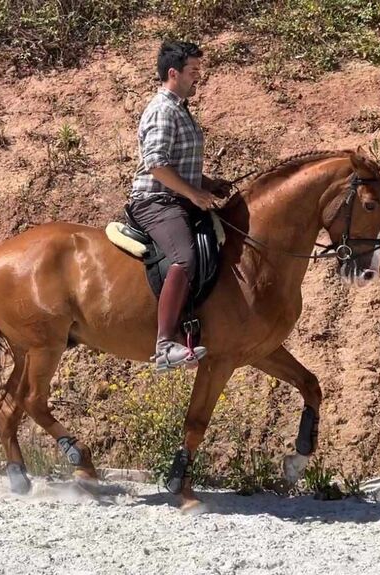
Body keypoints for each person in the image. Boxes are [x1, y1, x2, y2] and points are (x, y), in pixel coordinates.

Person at [128, 40, 231, 372]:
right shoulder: (162, 109)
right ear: (173, 73)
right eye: (193, 71)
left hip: (178, 197)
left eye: (199, 71)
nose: (198, 77)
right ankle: (164, 344)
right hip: (156, 202)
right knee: (184, 257)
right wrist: (193, 193)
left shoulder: (180, 109)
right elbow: (157, 164)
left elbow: (178, 164)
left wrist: (207, 183)